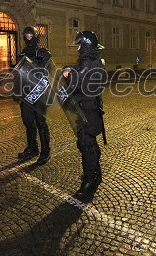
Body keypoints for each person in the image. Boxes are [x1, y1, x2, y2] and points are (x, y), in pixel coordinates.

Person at [63, 30, 107, 200]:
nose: (78, 48)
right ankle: (96, 174)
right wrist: (71, 69)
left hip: (86, 109)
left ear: (86, 45)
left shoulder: (88, 60)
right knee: (90, 144)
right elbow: (83, 73)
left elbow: (77, 82)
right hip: (91, 107)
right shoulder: (94, 59)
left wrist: (68, 76)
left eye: (80, 45)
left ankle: (89, 181)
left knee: (86, 145)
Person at [16, 26, 52, 165]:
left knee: (41, 123)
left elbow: (50, 72)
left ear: (36, 37)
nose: (29, 38)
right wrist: (16, 90)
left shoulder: (43, 53)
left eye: (31, 36)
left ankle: (45, 151)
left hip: (39, 94)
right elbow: (18, 73)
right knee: (28, 122)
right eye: (27, 36)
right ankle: (32, 148)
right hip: (25, 94)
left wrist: (41, 63)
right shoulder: (22, 54)